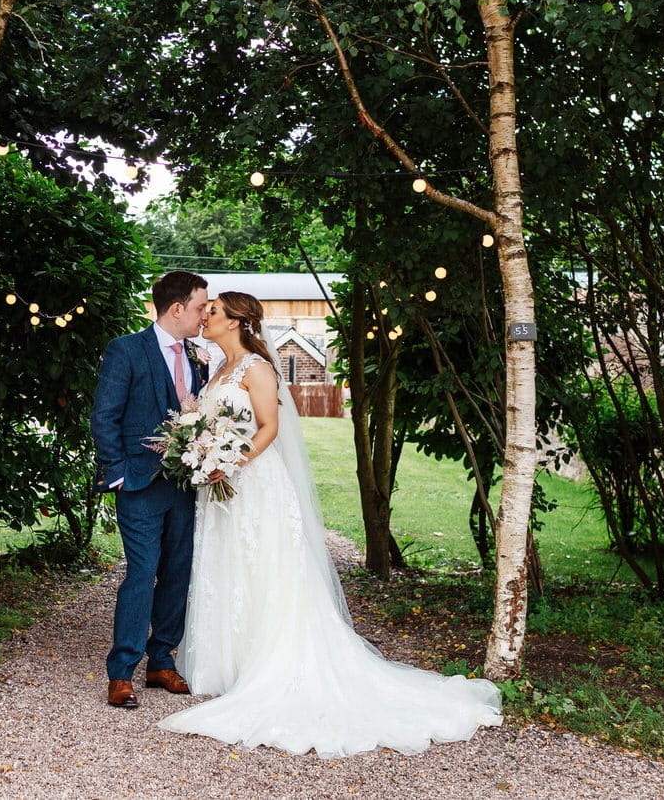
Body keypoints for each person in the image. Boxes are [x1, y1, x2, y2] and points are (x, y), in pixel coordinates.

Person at [156, 291, 503, 756]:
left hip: (254, 484)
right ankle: (229, 664)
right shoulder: (217, 368)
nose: (207, 316)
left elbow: (268, 428)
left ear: (237, 321)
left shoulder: (256, 369)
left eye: (214, 311)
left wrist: (229, 460)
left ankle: (272, 666)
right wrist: (201, 451)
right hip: (223, 492)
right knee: (230, 567)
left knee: (266, 568)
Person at [91, 270, 211, 710]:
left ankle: (161, 661)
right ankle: (121, 672)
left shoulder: (199, 357)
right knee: (142, 573)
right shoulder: (126, 350)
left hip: (186, 485)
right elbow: (104, 416)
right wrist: (117, 472)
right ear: (177, 308)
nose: (205, 315)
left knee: (179, 572)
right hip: (139, 484)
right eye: (200, 307)